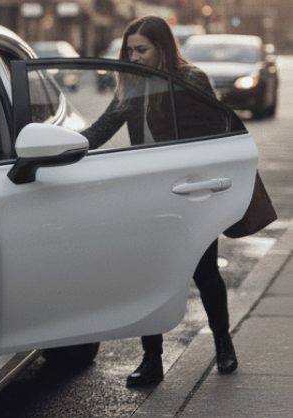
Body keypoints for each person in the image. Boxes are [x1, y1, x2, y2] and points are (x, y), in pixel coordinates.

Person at [81, 16, 238, 387]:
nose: (133, 57)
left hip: (190, 194)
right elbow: (100, 131)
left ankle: (223, 342)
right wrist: (61, 148)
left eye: (142, 50)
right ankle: (152, 360)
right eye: (129, 50)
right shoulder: (130, 86)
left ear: (162, 49)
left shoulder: (191, 80)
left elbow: (218, 134)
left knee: (205, 272)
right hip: (149, 196)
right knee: (149, 276)